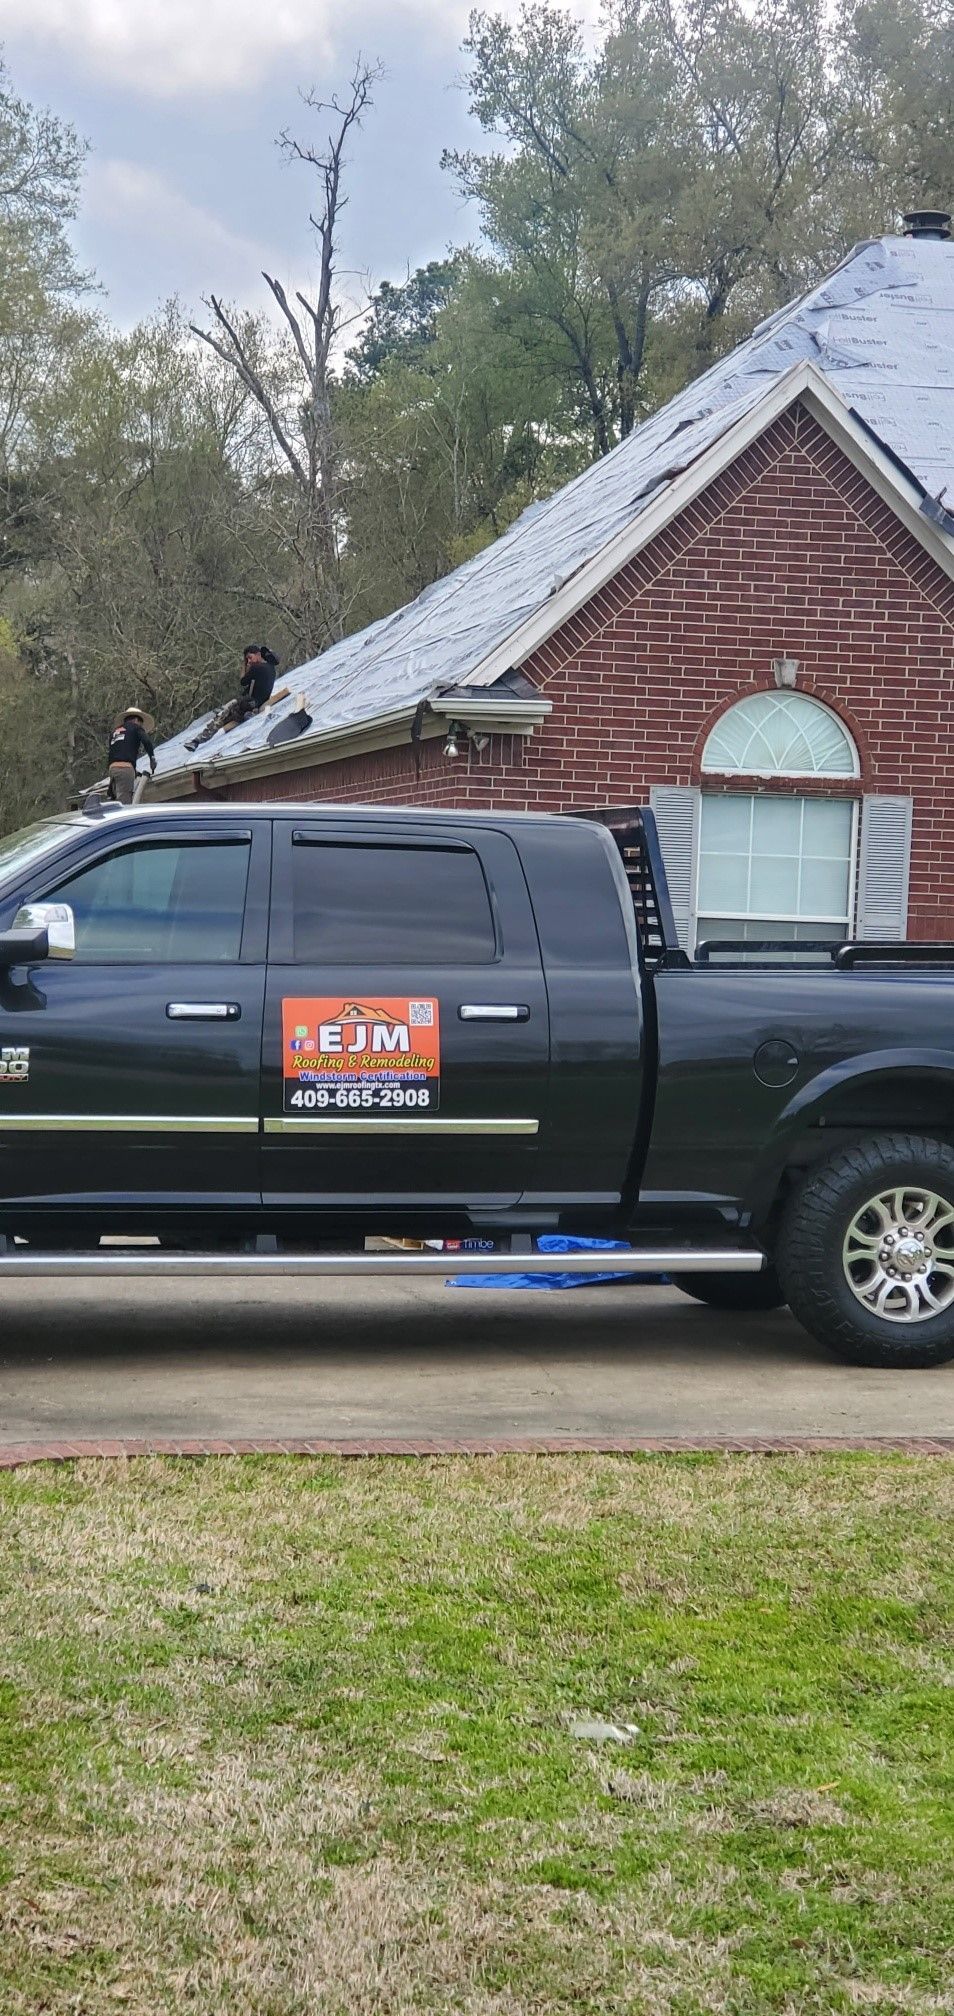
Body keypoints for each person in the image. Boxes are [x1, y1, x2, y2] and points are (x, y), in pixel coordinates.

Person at [185, 645, 279, 752]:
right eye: (247, 659)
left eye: (250, 657)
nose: (249, 661)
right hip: (256, 704)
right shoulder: (271, 670)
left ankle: (196, 741)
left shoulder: (256, 668)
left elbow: (243, 681)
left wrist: (244, 666)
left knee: (220, 718)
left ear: (258, 654)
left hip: (247, 704)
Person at [108, 707, 156, 805]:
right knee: (124, 803)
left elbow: (117, 750)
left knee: (116, 799)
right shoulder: (135, 727)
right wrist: (152, 758)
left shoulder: (115, 732)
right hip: (125, 769)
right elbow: (146, 741)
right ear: (136, 720)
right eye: (140, 723)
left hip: (113, 769)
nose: (141, 726)